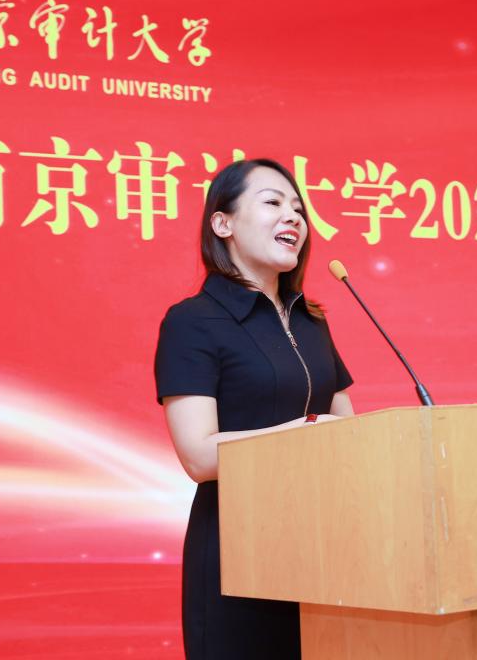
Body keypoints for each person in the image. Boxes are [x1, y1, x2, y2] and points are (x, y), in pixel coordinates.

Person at [154, 158, 354, 659]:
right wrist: (300, 434)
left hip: (325, 548)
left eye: (298, 209)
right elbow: (199, 456)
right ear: (222, 224)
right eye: (272, 203)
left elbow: (351, 434)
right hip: (238, 556)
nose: (293, 217)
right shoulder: (193, 321)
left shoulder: (310, 321)